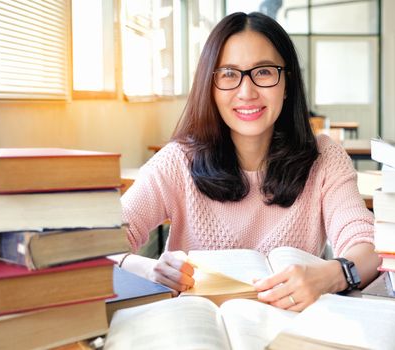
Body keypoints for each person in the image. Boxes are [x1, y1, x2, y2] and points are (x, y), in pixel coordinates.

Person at [118, 11, 380, 312]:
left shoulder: (324, 159)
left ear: (287, 83)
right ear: (210, 86)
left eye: (264, 72)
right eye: (229, 74)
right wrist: (147, 270)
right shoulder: (177, 162)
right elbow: (100, 243)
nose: (247, 92)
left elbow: (368, 246)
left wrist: (331, 276)